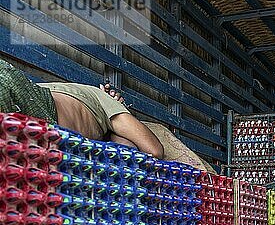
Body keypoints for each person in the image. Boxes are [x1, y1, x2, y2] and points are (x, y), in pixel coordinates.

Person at [0, 58, 164, 159]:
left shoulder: (65, 91)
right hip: (35, 109)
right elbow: (154, 150)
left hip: (22, 93)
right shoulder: (108, 103)